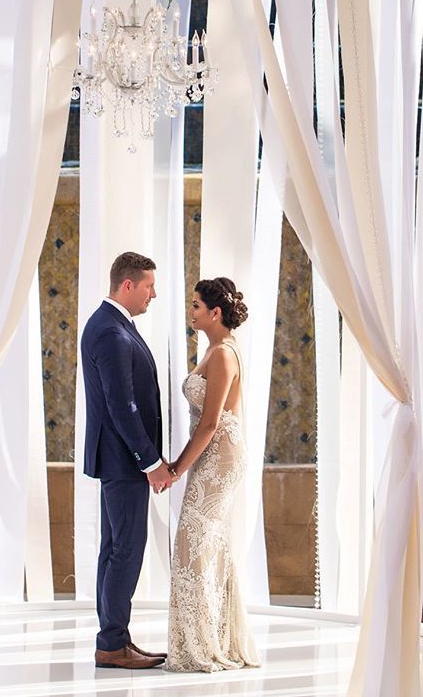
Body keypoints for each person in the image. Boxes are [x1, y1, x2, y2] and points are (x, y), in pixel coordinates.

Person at [81, 252, 172, 669]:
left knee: (115, 548)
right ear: (128, 285)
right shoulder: (110, 332)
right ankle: (111, 643)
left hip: (119, 460)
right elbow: (124, 406)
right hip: (123, 461)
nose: (154, 294)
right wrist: (150, 462)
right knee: (126, 550)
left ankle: (114, 639)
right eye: (149, 286)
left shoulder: (112, 325)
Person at [165, 277, 260, 673]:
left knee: (193, 542)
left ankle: (202, 643)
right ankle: (212, 636)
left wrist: (174, 469)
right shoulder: (214, 349)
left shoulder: (223, 354)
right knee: (205, 545)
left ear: (215, 313)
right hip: (214, 453)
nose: (191, 312)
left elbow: (209, 424)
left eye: (196, 306)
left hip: (219, 456)